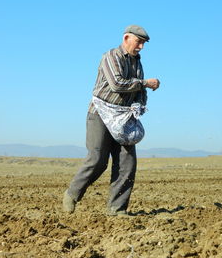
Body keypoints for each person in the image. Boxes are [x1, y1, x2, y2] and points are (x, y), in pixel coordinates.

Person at [63, 25, 160, 216]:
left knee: (127, 162)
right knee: (97, 159)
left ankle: (117, 209)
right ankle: (71, 195)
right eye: (138, 42)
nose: (141, 47)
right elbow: (117, 84)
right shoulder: (111, 56)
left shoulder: (137, 63)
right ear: (126, 38)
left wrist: (140, 102)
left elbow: (139, 91)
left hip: (123, 118)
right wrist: (145, 83)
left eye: (143, 43)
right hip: (99, 114)